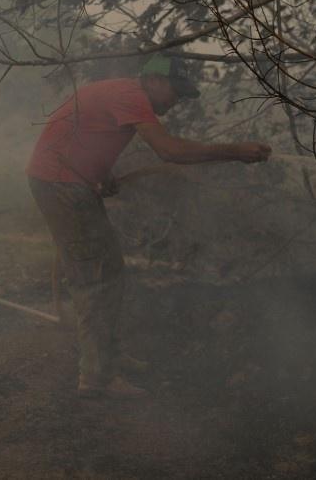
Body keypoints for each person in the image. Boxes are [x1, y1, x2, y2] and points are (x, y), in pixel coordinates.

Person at [27, 54, 272, 398]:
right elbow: (169, 151)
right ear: (154, 81)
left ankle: (107, 357)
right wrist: (235, 151)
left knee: (107, 269)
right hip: (62, 184)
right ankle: (97, 378)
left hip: (67, 180)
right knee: (96, 278)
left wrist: (100, 176)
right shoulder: (133, 97)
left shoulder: (122, 92)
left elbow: (84, 137)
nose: (176, 102)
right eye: (175, 92)